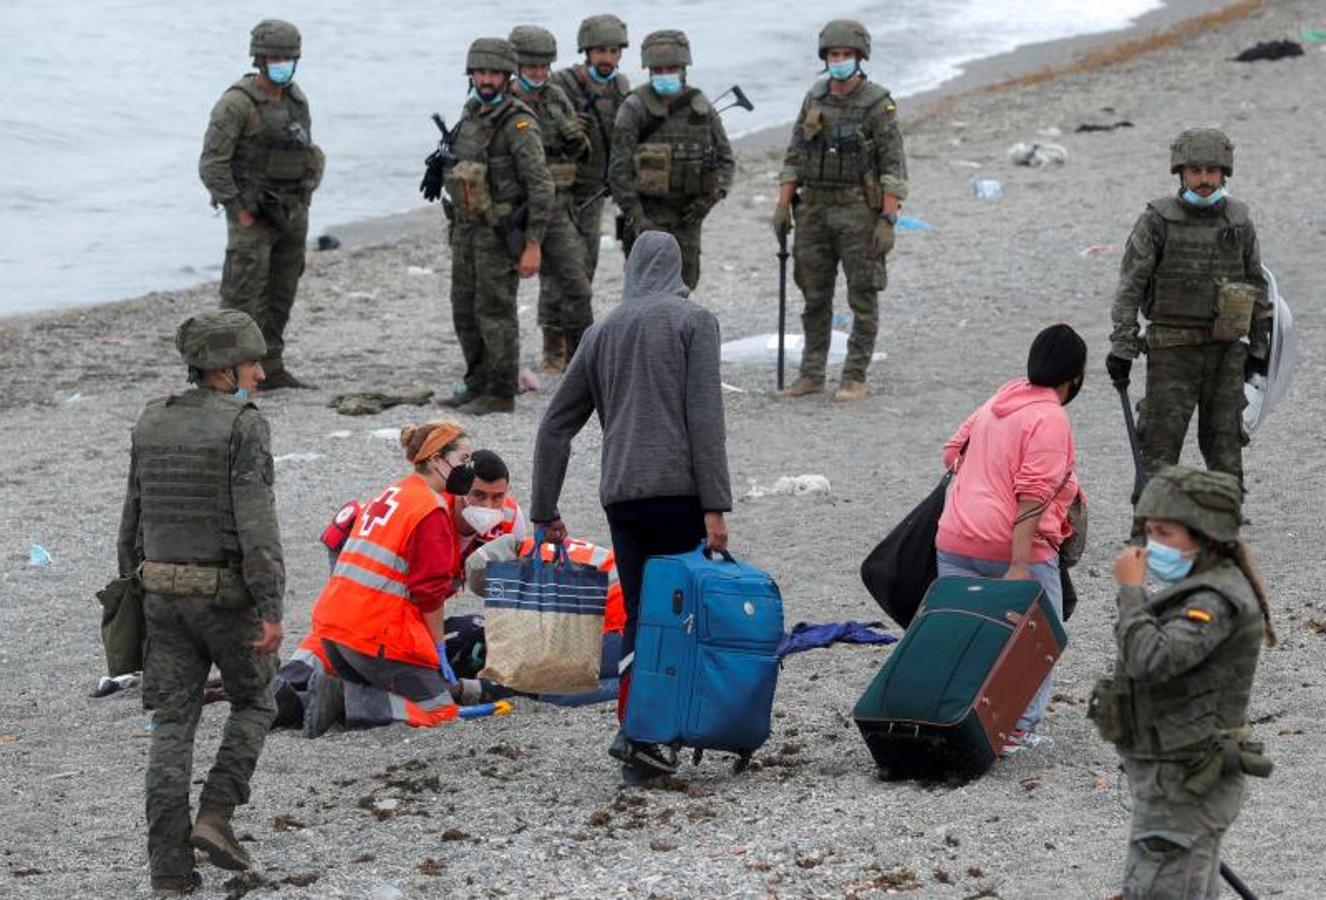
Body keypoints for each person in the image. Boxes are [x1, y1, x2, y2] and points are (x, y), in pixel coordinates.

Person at [529, 231, 732, 781]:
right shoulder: (695, 322)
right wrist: (715, 506)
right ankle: (647, 734)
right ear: (679, 268)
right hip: (679, 493)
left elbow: (554, 426)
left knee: (643, 615)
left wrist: (543, 509)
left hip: (622, 497)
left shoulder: (601, 332)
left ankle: (638, 736)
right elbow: (705, 421)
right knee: (681, 618)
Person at [118, 310, 285, 892]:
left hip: (160, 593)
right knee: (258, 700)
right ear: (222, 369)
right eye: (252, 363)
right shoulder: (243, 425)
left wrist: (132, 595)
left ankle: (168, 868)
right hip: (224, 599)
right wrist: (271, 609)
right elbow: (257, 526)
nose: (260, 374)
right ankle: (216, 815)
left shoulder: (151, 419)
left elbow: (132, 518)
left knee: (171, 724)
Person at [1099, 466, 1275, 898]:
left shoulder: (1213, 601)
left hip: (1183, 787)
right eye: (1148, 532)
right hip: (1174, 780)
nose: (1151, 545)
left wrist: (1131, 592)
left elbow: (1151, 660)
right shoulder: (1205, 586)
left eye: (1165, 533)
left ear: (1205, 536)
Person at [935, 324, 1087, 755]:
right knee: (1037, 639)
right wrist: (1020, 563)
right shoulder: (1050, 417)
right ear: (1075, 376)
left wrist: (984, 479)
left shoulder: (997, 401)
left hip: (956, 537)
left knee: (967, 635)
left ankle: (959, 715)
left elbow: (951, 452)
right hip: (1014, 545)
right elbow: (1033, 494)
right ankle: (1016, 729)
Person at [1106, 128, 1269, 488]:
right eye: (1195, 170)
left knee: (1226, 450)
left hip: (1226, 354)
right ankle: (1148, 536)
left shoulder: (1239, 222)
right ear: (1181, 172)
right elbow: (1130, 285)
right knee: (1160, 451)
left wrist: (1258, 350)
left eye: (1212, 171)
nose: (1204, 179)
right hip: (1171, 354)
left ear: (1224, 172)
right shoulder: (1157, 221)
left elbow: (1257, 286)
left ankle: (1222, 536)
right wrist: (1123, 345)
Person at [301, 421, 469, 737]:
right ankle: (353, 704)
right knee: (440, 712)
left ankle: (346, 688)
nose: (468, 468)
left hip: (333, 631)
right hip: (372, 636)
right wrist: (438, 652)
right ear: (435, 459)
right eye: (463, 460)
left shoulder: (393, 492)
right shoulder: (429, 509)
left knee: (387, 679)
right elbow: (429, 592)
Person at [773, 19, 909, 403]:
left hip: (857, 213)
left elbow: (893, 166)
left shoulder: (877, 103)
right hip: (813, 211)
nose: (840, 61)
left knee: (862, 295)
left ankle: (854, 375)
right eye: (834, 55)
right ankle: (811, 374)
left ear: (860, 57)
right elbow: (795, 154)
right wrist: (783, 204)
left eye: (846, 55)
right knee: (814, 296)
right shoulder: (815, 98)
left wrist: (887, 218)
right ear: (825, 57)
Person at [200, 19, 325, 390]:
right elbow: (212, 164)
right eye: (275, 57)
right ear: (260, 58)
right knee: (241, 297)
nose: (282, 63)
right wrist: (237, 208)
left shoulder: (296, 100)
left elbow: (303, 150)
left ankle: (270, 367)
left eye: (289, 57)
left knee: (281, 293)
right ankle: (224, 374)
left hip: (291, 211)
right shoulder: (236, 104)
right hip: (253, 214)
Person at [440, 38, 556, 415]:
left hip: (499, 234)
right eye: (480, 72)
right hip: (467, 231)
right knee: (464, 309)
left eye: (493, 73)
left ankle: (502, 390)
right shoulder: (471, 112)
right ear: (471, 74)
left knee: (495, 312)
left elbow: (540, 186)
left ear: (507, 77)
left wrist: (533, 244)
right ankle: (477, 381)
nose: (486, 79)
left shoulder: (519, 123)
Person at [608, 30, 734, 290]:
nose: (666, 74)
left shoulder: (700, 106)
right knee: (644, 290)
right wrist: (637, 217)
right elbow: (618, 171)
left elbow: (725, 160)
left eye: (672, 68)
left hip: (687, 217)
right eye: (659, 69)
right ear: (649, 70)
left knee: (684, 287)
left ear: (684, 68)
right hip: (648, 216)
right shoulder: (634, 108)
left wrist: (709, 200)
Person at [508, 25, 596, 374]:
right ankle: (509, 366)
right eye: (532, 67)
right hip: (511, 208)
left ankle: (580, 360)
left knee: (576, 284)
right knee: (496, 293)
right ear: (515, 65)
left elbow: (580, 154)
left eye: (545, 67)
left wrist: (577, 138)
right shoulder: (499, 103)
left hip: (556, 204)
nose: (540, 74)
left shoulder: (556, 97)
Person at [549, 15, 631, 295]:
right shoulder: (561, 84)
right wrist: (565, 129)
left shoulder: (620, 86)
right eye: (600, 51)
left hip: (595, 193)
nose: (607, 58)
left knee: (587, 267)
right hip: (560, 192)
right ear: (586, 52)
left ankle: (576, 335)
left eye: (613, 51)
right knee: (560, 272)